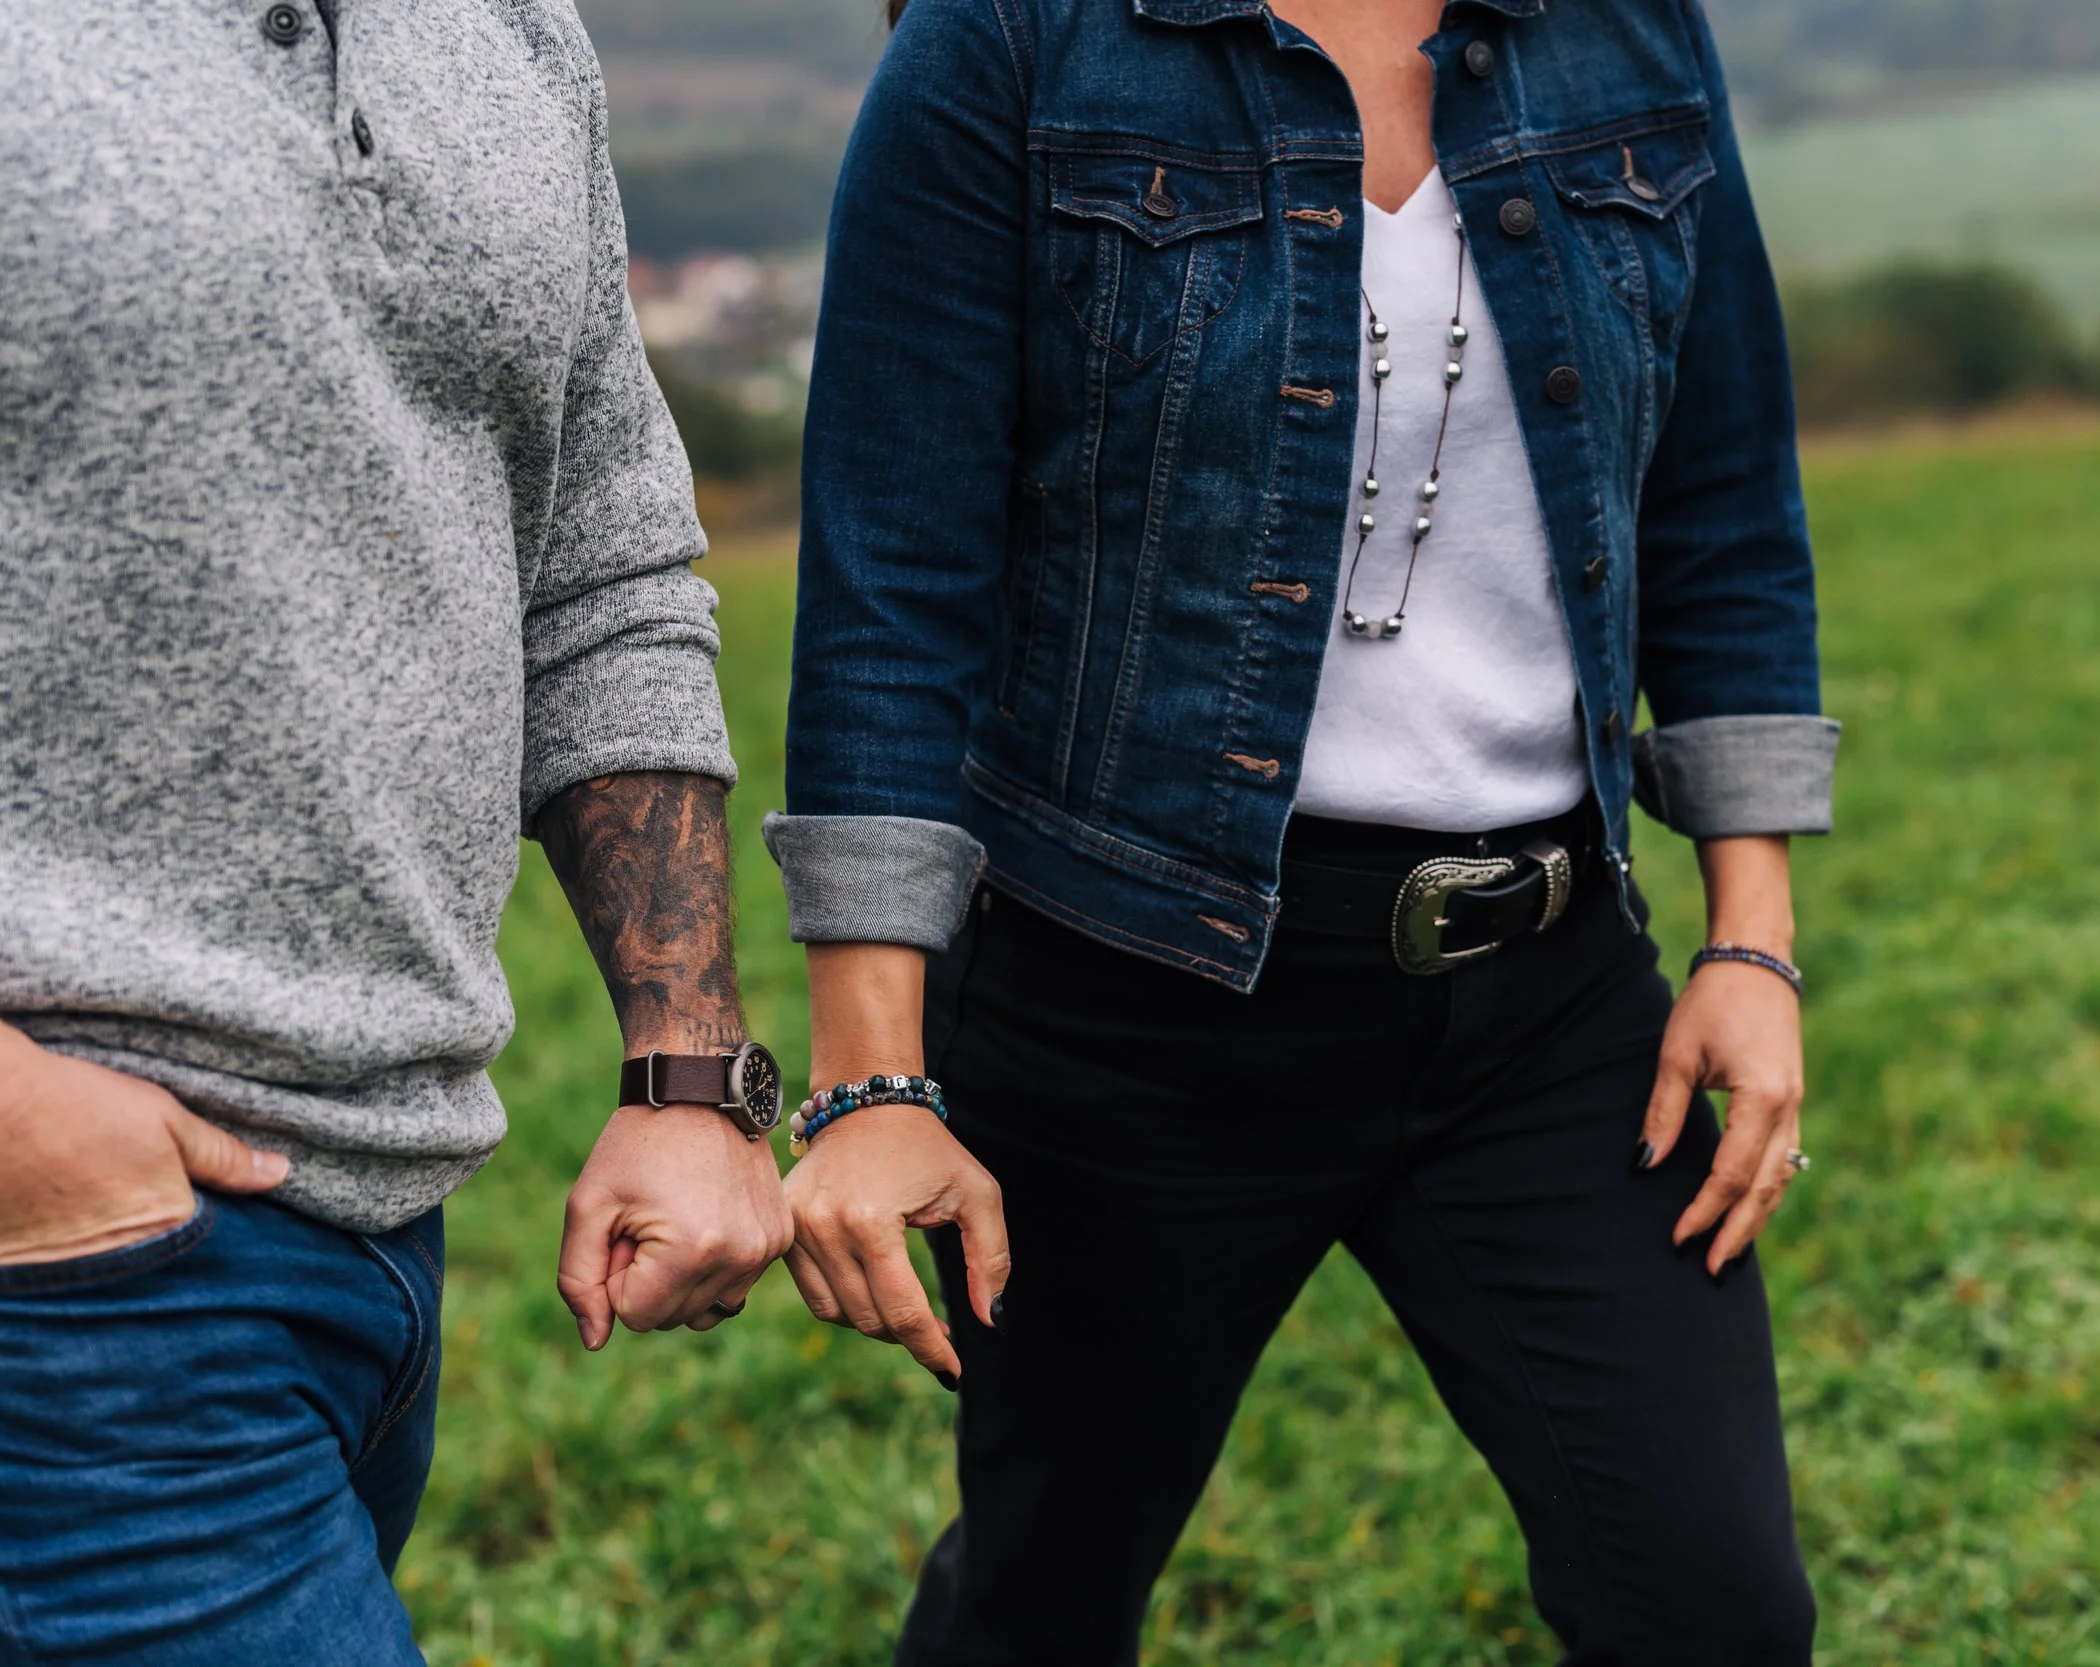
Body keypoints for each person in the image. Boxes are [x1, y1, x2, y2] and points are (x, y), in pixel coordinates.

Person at [776, 0, 1838, 1657]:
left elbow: (1721, 493)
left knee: (1712, 1608)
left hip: (1548, 1006)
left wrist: (1750, 937)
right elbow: (890, 575)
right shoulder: (1013, 40)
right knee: (1045, 1599)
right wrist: (875, 1076)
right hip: (1129, 996)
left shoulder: (1624, 25)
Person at [0, 4, 792, 1660]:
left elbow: (599, 571)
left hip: (380, 1237)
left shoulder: (509, 36)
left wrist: (688, 1066)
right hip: (30, 1273)